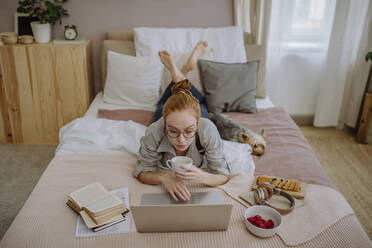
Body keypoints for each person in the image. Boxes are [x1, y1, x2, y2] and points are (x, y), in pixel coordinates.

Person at [133, 42, 230, 202]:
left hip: (196, 112)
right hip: (167, 111)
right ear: (165, 124)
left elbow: (223, 175)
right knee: (164, 104)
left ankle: (180, 73)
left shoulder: (205, 127)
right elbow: (142, 171)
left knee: (200, 102)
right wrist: (164, 178)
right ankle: (180, 74)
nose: (181, 140)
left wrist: (203, 176)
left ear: (197, 124)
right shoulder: (156, 129)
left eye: (189, 131)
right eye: (173, 131)